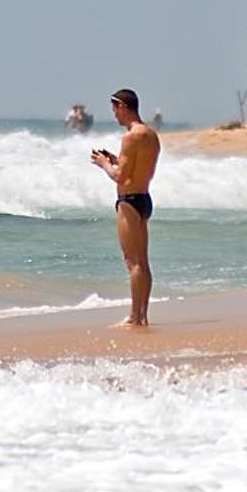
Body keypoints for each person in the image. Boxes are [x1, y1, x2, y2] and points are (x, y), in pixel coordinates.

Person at [90, 87, 160, 327]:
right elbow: (138, 168)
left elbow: (119, 176)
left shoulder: (130, 136)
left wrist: (103, 164)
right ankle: (143, 315)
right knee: (144, 262)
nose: (114, 116)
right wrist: (115, 158)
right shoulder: (150, 134)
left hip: (129, 201)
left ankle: (133, 316)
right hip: (144, 199)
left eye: (115, 110)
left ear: (123, 106)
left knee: (133, 263)